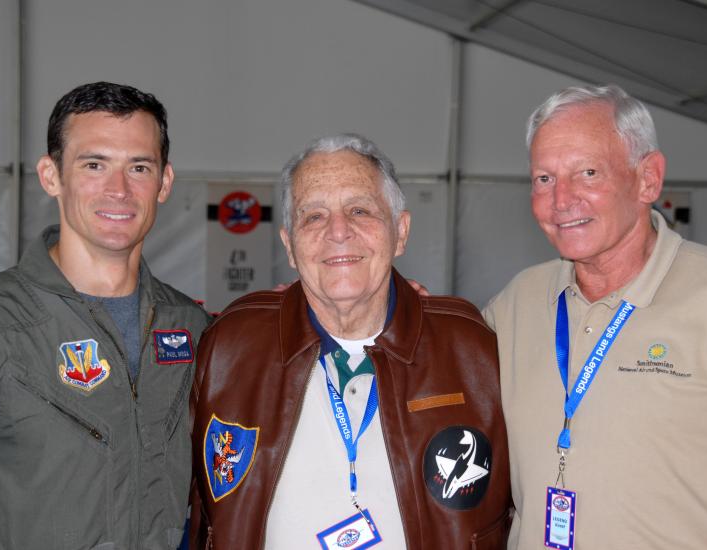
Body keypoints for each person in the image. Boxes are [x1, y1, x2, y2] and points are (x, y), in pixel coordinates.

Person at [483, 84, 707, 549]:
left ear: (648, 179)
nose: (561, 200)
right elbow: (433, 369)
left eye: (588, 172)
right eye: (544, 178)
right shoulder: (516, 303)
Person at [189, 134, 512, 549]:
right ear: (290, 246)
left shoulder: (473, 350)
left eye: (360, 210)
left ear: (401, 231)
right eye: (313, 216)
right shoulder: (231, 346)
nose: (338, 232)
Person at [0, 82, 210, 549]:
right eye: (94, 165)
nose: (119, 190)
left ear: (165, 183)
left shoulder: (192, 330)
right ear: (51, 176)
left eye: (139, 167)